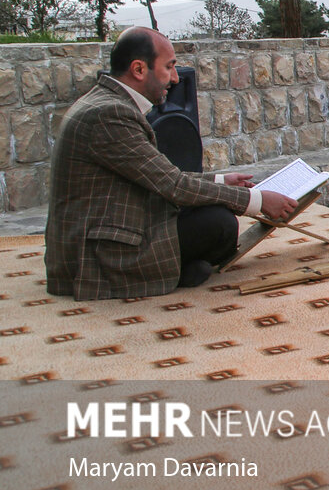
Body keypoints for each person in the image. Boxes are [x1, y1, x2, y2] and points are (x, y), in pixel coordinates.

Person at [45, 27, 297, 300]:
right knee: (219, 225)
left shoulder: (106, 102)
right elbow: (173, 185)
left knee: (211, 211)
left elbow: (161, 175)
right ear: (139, 69)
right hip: (92, 257)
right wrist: (256, 201)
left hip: (106, 227)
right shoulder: (110, 113)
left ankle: (179, 267)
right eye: (169, 67)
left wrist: (221, 181)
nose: (176, 78)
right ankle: (166, 271)